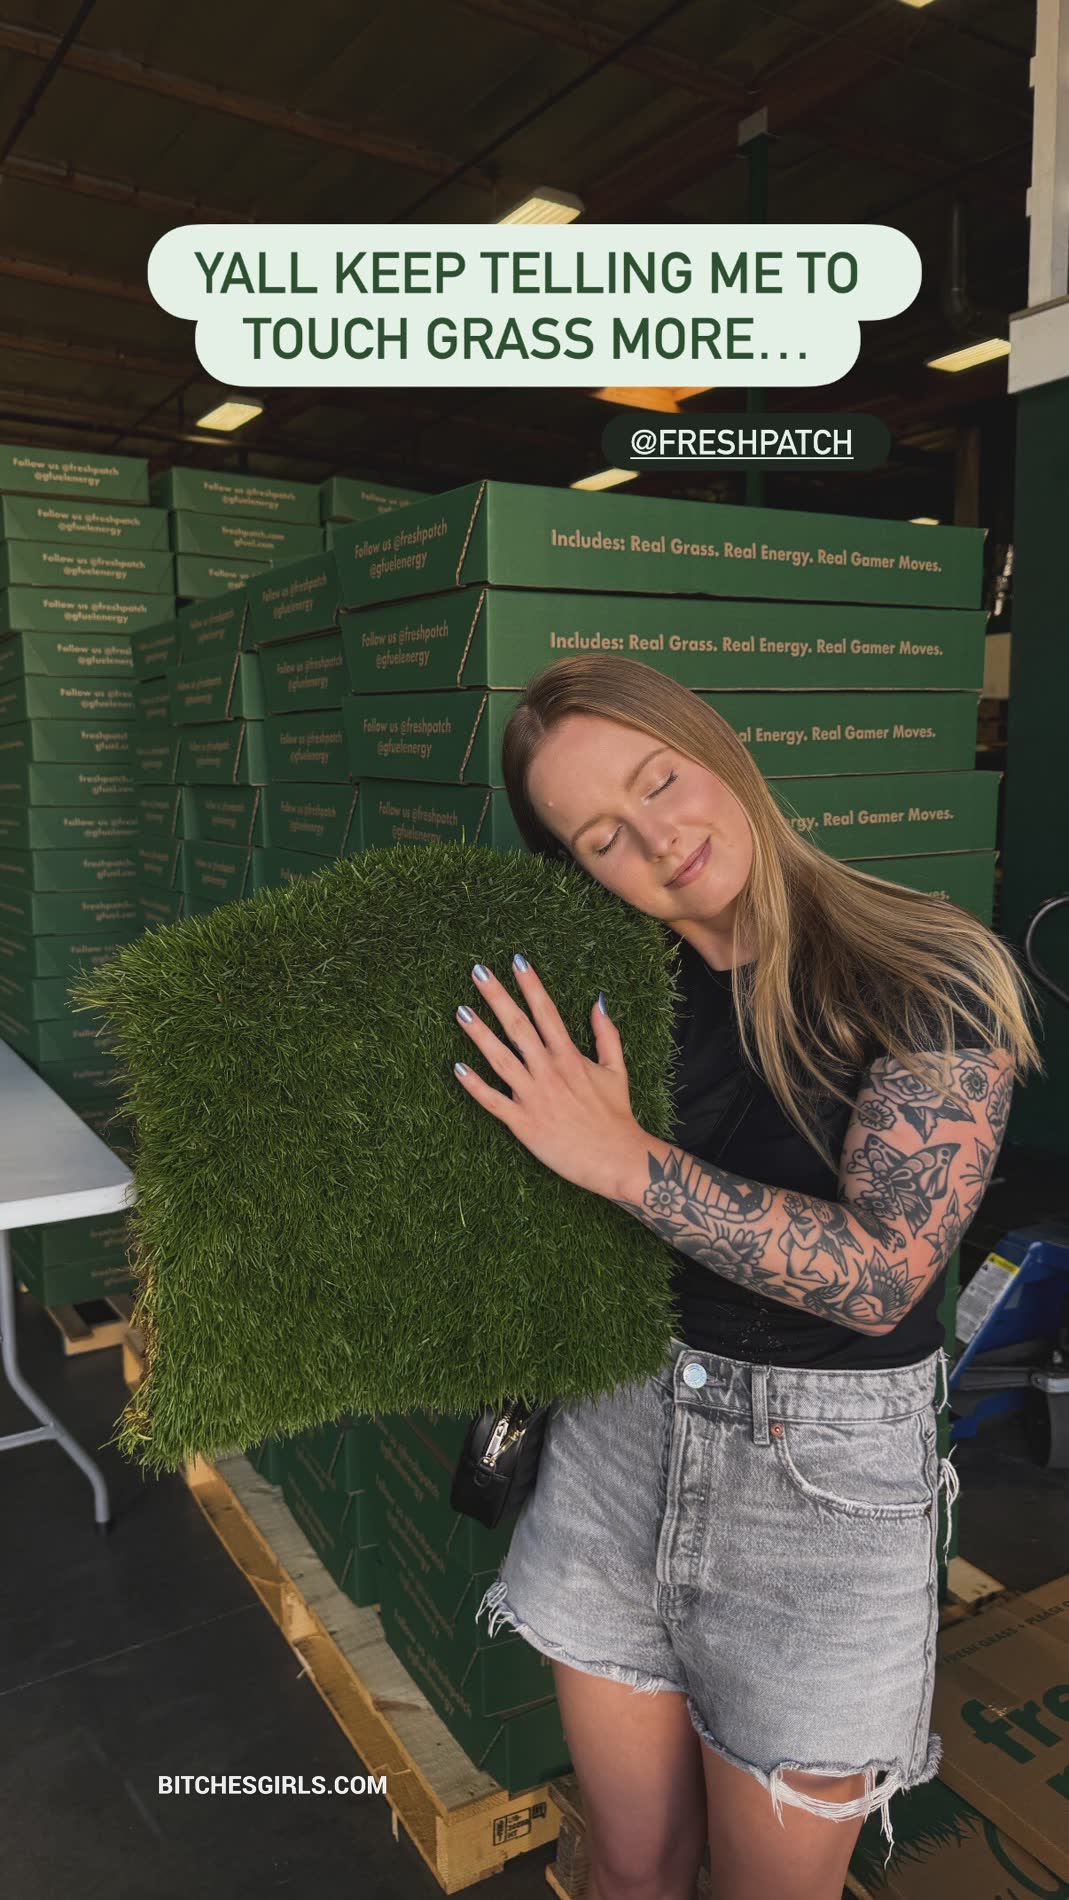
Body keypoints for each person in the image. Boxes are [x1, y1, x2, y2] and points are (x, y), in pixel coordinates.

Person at [450, 656, 1041, 1900]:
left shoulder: (923, 967)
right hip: (613, 1440)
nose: (656, 839)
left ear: (714, 747)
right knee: (629, 1867)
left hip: (816, 1489)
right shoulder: (611, 994)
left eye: (658, 780)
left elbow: (883, 1274)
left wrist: (618, 1159)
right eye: (602, 837)